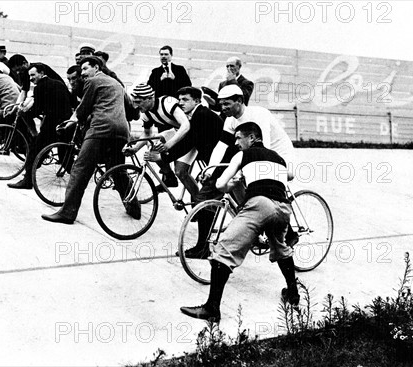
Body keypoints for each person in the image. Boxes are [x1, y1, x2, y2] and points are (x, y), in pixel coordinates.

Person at [180, 122, 299, 322]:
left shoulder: (242, 155)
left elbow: (220, 184)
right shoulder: (278, 158)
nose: (236, 143)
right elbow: (289, 176)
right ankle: (293, 295)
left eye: (238, 138)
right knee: (281, 247)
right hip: (284, 208)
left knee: (222, 251)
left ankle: (211, 309)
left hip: (260, 205)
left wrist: (232, 183)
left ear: (252, 138)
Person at [183, 84, 296, 259]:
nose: (223, 108)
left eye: (227, 104)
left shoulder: (258, 115)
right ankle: (203, 246)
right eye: (221, 104)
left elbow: (262, 148)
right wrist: (211, 169)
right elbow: (221, 146)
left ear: (240, 101)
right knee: (221, 185)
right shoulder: (231, 120)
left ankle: (289, 234)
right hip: (255, 152)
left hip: (278, 154)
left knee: (267, 191)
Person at [41, 56, 139, 224]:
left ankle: (67, 212)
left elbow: (83, 109)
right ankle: (134, 207)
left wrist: (69, 124)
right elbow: (132, 112)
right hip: (122, 130)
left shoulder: (93, 81)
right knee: (117, 169)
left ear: (96, 67)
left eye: (85, 68)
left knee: (80, 169)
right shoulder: (117, 84)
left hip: (101, 128)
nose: (83, 73)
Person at [7, 64, 73, 189]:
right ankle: (78, 180)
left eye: (33, 75)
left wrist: (24, 112)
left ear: (42, 73)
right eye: (29, 76)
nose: (31, 78)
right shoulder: (59, 84)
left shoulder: (40, 88)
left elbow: (37, 109)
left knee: (34, 152)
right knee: (65, 155)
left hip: (51, 125)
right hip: (66, 124)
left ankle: (27, 181)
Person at [123, 83, 192, 192]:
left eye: (138, 102)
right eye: (134, 102)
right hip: (178, 131)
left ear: (150, 99)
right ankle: (169, 176)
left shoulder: (167, 103)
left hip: (193, 133)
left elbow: (186, 125)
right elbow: (147, 134)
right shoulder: (146, 113)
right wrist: (135, 149)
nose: (136, 106)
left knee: (180, 172)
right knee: (153, 142)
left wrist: (168, 145)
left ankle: (200, 201)